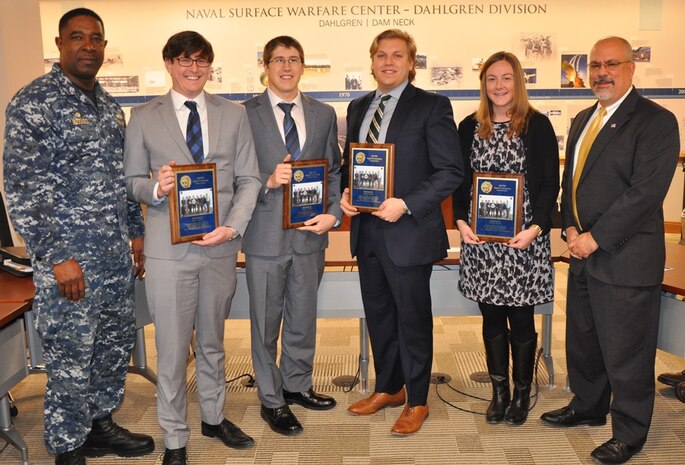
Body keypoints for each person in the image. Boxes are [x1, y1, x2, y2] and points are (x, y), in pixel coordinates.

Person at [2, 8, 154, 465]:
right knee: (71, 354)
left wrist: (136, 232)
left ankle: (99, 423)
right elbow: (23, 189)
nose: (89, 46)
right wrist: (55, 257)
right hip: (69, 262)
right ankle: (68, 445)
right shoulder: (34, 103)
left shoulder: (109, 107)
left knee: (111, 343)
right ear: (60, 43)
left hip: (112, 257)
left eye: (96, 39)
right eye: (77, 37)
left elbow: (125, 177)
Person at [540, 36, 680, 464]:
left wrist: (594, 238)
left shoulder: (657, 121)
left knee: (627, 351)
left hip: (623, 256)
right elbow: (573, 181)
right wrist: (567, 225)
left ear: (631, 68)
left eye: (611, 64)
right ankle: (587, 406)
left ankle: (630, 433)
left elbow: (644, 194)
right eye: (595, 64)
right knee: (584, 342)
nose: (601, 72)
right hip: (582, 253)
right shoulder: (585, 118)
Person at [124, 31, 261, 465]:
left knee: (214, 341)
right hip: (168, 252)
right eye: (184, 60)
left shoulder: (233, 114)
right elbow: (130, 183)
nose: (193, 68)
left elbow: (250, 179)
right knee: (171, 347)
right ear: (168, 64)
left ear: (210, 66)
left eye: (201, 60)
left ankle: (214, 416)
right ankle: (175, 438)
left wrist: (232, 228)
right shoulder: (144, 116)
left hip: (219, 247)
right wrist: (156, 188)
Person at [340, 29, 462, 435]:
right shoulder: (358, 107)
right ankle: (389, 387)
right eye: (380, 55)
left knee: (412, 318)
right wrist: (345, 192)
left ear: (412, 62)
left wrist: (406, 203)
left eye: (397, 55)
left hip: (407, 230)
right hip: (367, 231)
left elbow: (450, 171)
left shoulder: (432, 105)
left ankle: (418, 398)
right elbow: (351, 165)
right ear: (371, 61)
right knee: (379, 315)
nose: (388, 62)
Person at [242, 36, 342, 435]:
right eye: (278, 60)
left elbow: (333, 171)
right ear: (264, 65)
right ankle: (272, 399)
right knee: (266, 323)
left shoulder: (323, 114)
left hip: (309, 234)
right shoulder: (243, 114)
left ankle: (297, 385)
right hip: (264, 235)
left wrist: (333, 215)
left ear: (303, 66)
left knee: (302, 318)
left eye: (294, 59)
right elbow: (234, 175)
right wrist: (267, 182)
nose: (286, 67)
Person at [453, 51, 559, 425]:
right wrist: (462, 221)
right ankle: (499, 392)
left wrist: (536, 228)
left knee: (523, 320)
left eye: (506, 78)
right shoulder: (469, 126)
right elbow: (460, 183)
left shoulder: (538, 126)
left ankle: (521, 393)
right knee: (492, 318)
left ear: (518, 82)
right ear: (484, 85)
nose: (499, 85)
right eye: (492, 79)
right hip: (483, 245)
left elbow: (549, 185)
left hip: (523, 242)